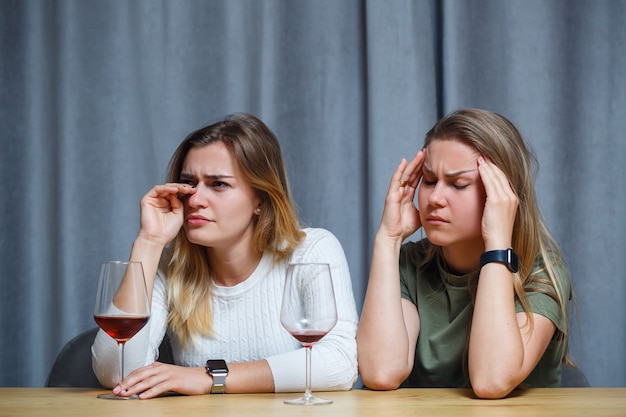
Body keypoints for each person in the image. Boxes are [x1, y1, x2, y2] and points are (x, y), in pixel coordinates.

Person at [92, 113, 358, 398]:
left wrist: (210, 378)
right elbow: (115, 374)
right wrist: (149, 241)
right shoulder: (169, 268)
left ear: (261, 198)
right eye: (188, 183)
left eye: (218, 184)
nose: (195, 199)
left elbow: (340, 363)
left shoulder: (311, 251)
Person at [356, 108, 572, 399]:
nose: (434, 199)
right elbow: (381, 372)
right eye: (429, 180)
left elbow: (491, 381)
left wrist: (497, 243)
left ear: (502, 194)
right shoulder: (408, 262)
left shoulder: (542, 270)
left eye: (458, 184)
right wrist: (388, 238)